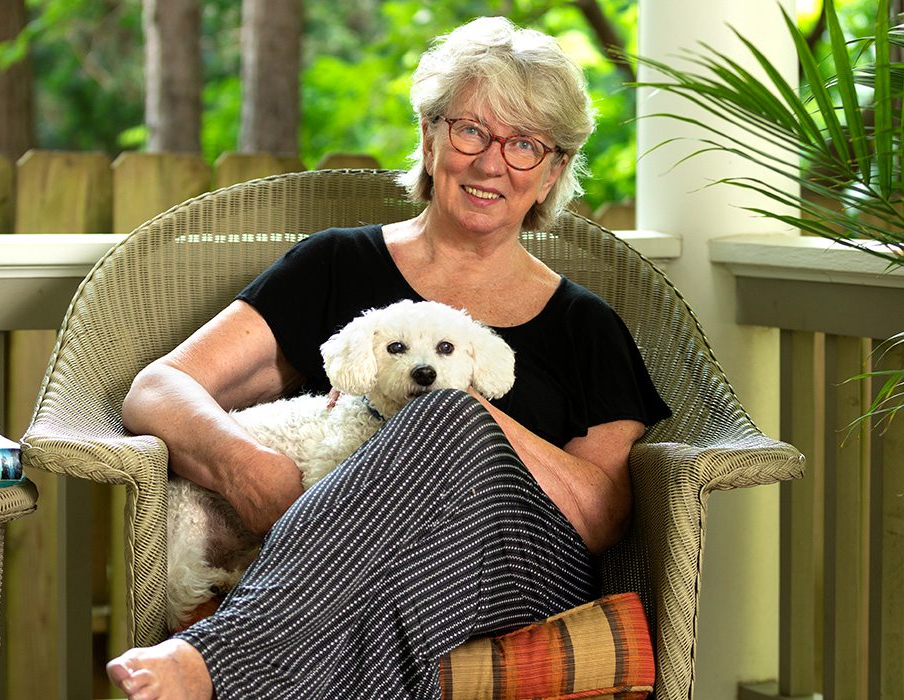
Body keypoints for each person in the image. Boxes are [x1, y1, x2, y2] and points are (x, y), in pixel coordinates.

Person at [107, 16, 670, 700]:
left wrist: (473, 418)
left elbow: (603, 514)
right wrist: (249, 467)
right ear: (430, 139)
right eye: (471, 130)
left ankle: (215, 664)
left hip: (523, 565)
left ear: (552, 173)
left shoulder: (585, 322)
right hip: (345, 561)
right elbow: (158, 388)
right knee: (386, 592)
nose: (492, 162)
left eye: (524, 145)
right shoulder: (337, 266)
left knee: (441, 417)